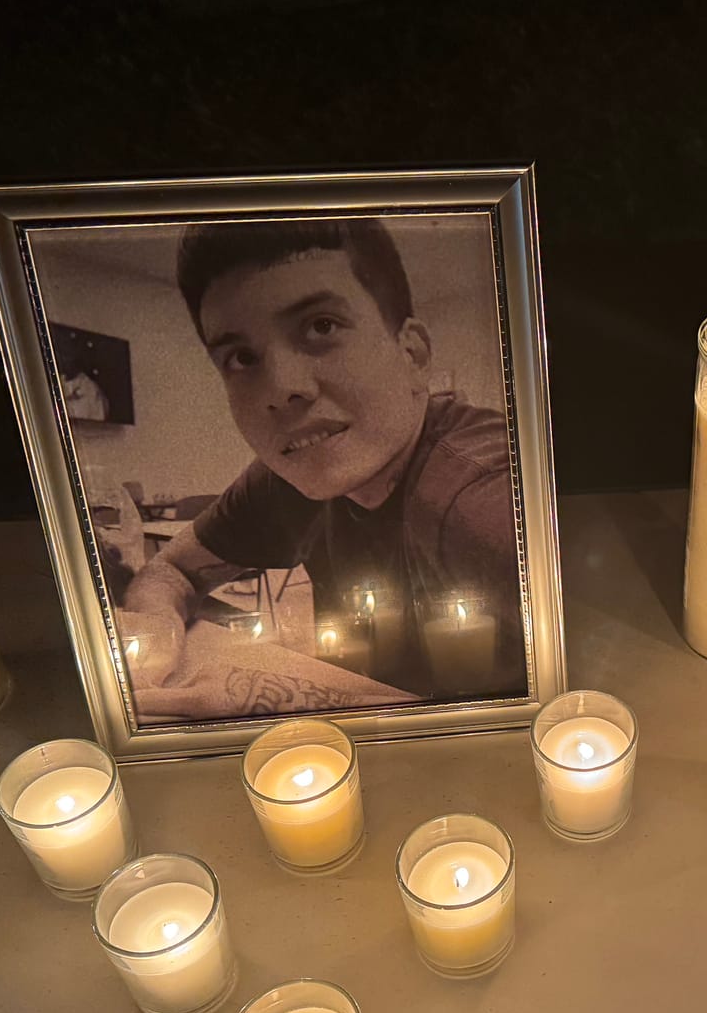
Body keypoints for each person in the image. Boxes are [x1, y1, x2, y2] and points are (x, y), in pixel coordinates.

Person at [118, 218, 528, 719]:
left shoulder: (480, 495)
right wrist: (155, 641)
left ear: (413, 352)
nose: (280, 388)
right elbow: (171, 569)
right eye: (242, 358)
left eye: (321, 327)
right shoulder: (288, 480)